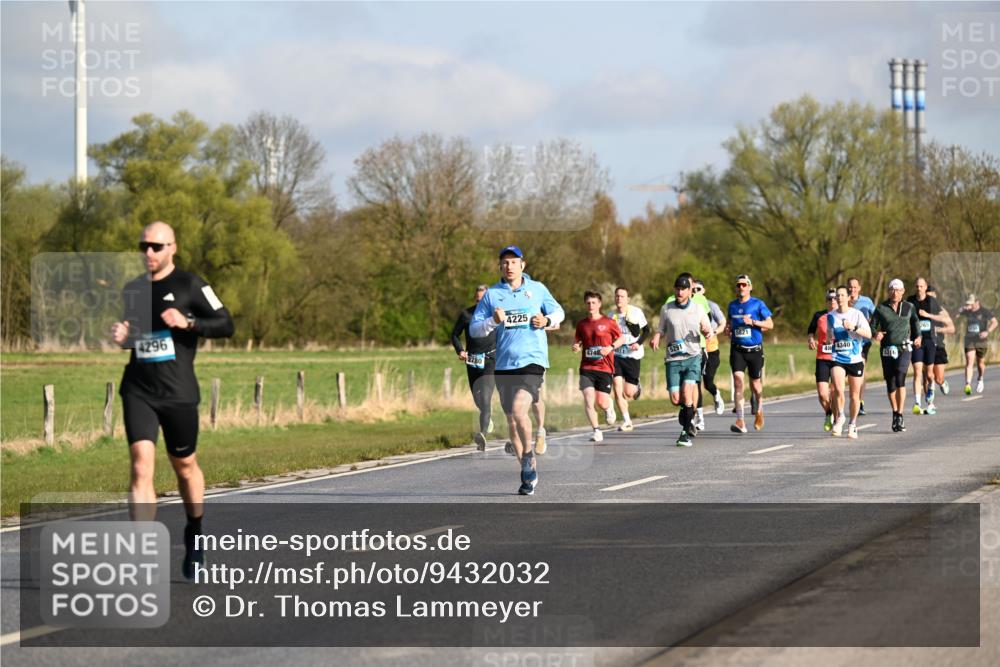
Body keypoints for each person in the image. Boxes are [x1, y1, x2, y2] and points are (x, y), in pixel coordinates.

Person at [110, 221, 234, 580]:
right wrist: (123, 336)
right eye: (143, 246)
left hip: (178, 393)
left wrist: (188, 321)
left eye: (156, 246)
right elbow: (137, 336)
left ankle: (195, 531)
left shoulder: (192, 285)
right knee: (140, 467)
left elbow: (226, 324)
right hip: (138, 388)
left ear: (173, 248)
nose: (149, 252)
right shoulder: (133, 289)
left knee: (185, 467)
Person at [470, 246, 564, 496]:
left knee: (520, 408)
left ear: (523, 265)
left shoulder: (537, 289)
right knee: (512, 420)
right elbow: (474, 329)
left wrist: (546, 320)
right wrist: (493, 321)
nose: (509, 266)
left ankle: (528, 454)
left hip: (533, 360)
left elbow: (559, 312)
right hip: (504, 364)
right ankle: (526, 469)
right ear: (500, 267)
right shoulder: (492, 295)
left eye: (513, 262)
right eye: (504, 262)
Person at [652, 275, 713, 447]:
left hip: (693, 357)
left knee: (687, 393)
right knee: (675, 398)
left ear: (689, 291)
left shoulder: (698, 309)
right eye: (677, 289)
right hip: (673, 359)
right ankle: (686, 411)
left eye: (683, 289)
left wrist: (707, 331)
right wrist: (656, 336)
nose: (679, 292)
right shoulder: (667, 309)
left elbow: (708, 329)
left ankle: (685, 433)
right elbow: (661, 328)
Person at [573, 292, 625, 442]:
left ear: (599, 304)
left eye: (594, 303)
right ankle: (596, 430)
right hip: (587, 367)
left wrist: (611, 348)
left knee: (601, 401)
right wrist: (576, 346)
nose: (591, 306)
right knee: (589, 399)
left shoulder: (608, 322)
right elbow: (578, 341)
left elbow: (621, 339)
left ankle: (609, 407)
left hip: (604, 367)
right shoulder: (582, 324)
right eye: (588, 303)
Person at [724, 274, 774, 433]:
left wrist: (752, 322)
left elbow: (770, 324)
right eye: (738, 285)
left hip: (754, 351)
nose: (741, 287)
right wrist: (728, 329)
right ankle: (740, 421)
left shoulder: (758, 304)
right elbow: (729, 323)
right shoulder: (732, 305)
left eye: (744, 285)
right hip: (737, 350)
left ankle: (759, 410)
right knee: (738, 382)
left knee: (756, 386)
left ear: (750, 287)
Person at [871, 279, 922, 432]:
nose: (895, 292)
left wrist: (918, 337)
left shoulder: (909, 307)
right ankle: (895, 412)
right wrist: (876, 333)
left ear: (903, 291)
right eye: (892, 289)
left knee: (900, 377)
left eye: (898, 290)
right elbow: (872, 325)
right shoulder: (881, 308)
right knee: (890, 383)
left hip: (904, 348)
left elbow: (915, 322)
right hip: (887, 349)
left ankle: (900, 413)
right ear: (888, 291)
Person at [451, 284, 497, 451]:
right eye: (478, 300)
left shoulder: (495, 315)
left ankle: (482, 434)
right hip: (472, 360)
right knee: (478, 400)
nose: (480, 303)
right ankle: (487, 416)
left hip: (491, 360)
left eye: (483, 300)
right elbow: (454, 335)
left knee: (485, 397)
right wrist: (460, 351)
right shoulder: (466, 314)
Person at [827, 286, 873, 439]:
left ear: (848, 298)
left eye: (842, 295)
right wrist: (828, 341)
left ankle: (852, 424)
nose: (839, 298)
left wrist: (853, 327)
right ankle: (840, 416)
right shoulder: (831, 316)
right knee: (837, 389)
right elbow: (829, 335)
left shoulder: (856, 314)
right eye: (837, 296)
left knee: (854, 395)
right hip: (837, 357)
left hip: (854, 359)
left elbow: (869, 334)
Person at [608, 286, 650, 432]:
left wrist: (638, 343)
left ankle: (636, 386)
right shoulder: (611, 316)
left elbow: (646, 331)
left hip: (633, 356)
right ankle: (627, 421)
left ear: (628, 299)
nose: (619, 298)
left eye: (622, 296)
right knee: (617, 388)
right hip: (617, 355)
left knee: (628, 393)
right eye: (617, 296)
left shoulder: (636, 312)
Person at [906, 278, 947, 415]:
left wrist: (927, 315)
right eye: (917, 286)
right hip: (916, 341)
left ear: (925, 287)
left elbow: (942, 318)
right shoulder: (910, 300)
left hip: (930, 340)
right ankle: (917, 403)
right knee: (917, 372)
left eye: (921, 286)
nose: (919, 288)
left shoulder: (932, 301)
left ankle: (931, 390)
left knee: (929, 374)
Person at [693, 279, 728, 424]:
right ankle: (699, 418)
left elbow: (723, 323)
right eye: (693, 289)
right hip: (696, 350)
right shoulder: (689, 306)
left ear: (704, 291)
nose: (695, 292)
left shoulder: (711, 305)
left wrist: (713, 332)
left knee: (708, 382)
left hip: (711, 349)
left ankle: (716, 394)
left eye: (698, 289)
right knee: (695, 383)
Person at [807, 289, 838, 431]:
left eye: (835, 298)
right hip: (822, 358)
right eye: (830, 299)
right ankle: (828, 412)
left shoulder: (844, 315)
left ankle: (837, 419)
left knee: (834, 391)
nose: (833, 301)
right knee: (822, 393)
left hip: (838, 358)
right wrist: (811, 340)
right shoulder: (819, 315)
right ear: (826, 301)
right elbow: (810, 331)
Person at [958, 294, 998, 394]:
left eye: (971, 304)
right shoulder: (967, 311)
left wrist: (987, 332)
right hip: (969, 339)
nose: (970, 305)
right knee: (969, 361)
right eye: (968, 304)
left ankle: (980, 378)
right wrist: (961, 309)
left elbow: (995, 322)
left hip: (981, 340)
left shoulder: (984, 311)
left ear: (977, 302)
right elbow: (955, 316)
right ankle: (968, 384)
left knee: (980, 363)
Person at [847, 278, 876, 415]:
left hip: (863, 342)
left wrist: (872, 327)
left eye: (855, 287)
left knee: (861, 370)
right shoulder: (843, 300)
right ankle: (852, 400)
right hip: (847, 342)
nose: (852, 289)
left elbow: (876, 317)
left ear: (859, 288)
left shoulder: (867, 301)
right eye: (850, 287)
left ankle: (860, 401)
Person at [924, 285, 955, 405]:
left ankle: (942, 382)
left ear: (935, 296)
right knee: (927, 376)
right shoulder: (921, 311)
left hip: (938, 346)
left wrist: (938, 330)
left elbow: (952, 328)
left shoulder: (942, 311)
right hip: (925, 345)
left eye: (931, 297)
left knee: (938, 378)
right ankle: (929, 404)